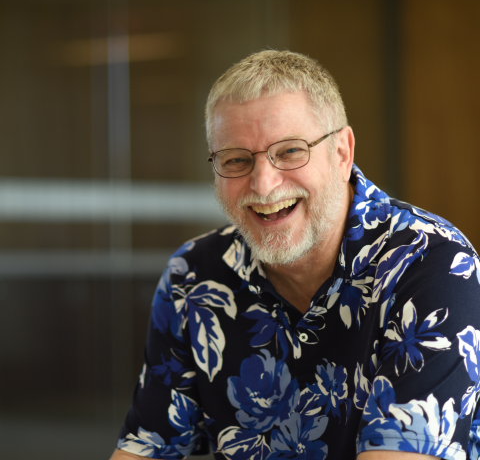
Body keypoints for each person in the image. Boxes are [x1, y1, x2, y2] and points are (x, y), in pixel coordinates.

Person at [110, 51, 480, 459]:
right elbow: (146, 446)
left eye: (289, 151)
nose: (264, 186)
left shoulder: (432, 264)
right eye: (236, 159)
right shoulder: (194, 277)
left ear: (342, 153)